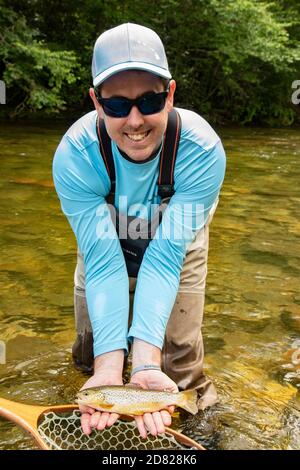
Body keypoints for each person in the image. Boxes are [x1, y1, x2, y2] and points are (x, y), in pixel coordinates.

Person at [53, 22, 226, 439]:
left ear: (170, 94)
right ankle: (93, 417)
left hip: (175, 243)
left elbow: (166, 259)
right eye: (116, 106)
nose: (134, 121)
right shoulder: (75, 156)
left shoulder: (202, 151)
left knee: (179, 358)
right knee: (92, 350)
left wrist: (147, 364)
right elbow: (103, 262)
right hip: (103, 242)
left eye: (149, 100)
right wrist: (110, 367)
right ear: (96, 103)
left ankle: (206, 432)